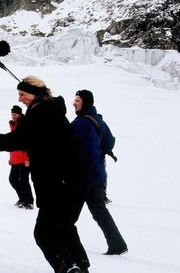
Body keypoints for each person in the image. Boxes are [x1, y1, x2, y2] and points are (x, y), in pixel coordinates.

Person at [0, 76, 90, 273]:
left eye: (22, 94)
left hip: (58, 182)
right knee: (64, 227)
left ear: (35, 94)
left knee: (44, 233)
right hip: (74, 179)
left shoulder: (41, 114)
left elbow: (15, 140)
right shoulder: (51, 110)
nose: (20, 99)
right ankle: (80, 268)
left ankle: (69, 268)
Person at [71, 90, 128, 256]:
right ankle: (117, 244)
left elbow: (65, 143)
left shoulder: (81, 123)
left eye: (77, 100)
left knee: (68, 212)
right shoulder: (98, 120)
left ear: (86, 102)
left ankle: (61, 242)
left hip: (84, 176)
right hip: (98, 174)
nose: (74, 103)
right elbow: (110, 142)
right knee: (99, 211)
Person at [8, 105, 34, 210]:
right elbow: (12, 142)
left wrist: (28, 158)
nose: (13, 116)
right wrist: (11, 157)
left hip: (24, 159)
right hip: (15, 158)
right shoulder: (13, 125)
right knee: (13, 179)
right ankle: (22, 198)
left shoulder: (23, 124)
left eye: (15, 114)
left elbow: (28, 142)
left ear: (19, 114)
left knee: (23, 180)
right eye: (12, 114)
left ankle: (29, 201)